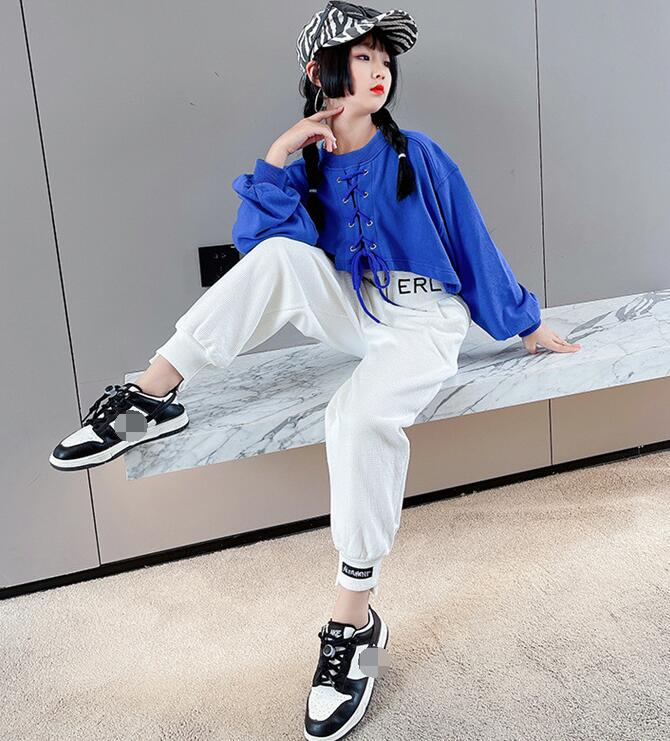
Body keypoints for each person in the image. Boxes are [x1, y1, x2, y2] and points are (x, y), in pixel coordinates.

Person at [49, 2, 581, 737]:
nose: (379, 70)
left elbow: (471, 239)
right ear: (320, 70)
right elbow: (263, 253)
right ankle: (152, 391)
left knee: (355, 418)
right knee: (278, 256)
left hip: (423, 318)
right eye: (362, 57)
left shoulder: (417, 153)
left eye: (384, 59)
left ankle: (353, 618)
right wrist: (278, 154)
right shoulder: (308, 164)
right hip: (356, 308)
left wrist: (525, 322)